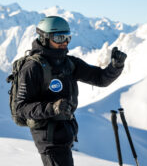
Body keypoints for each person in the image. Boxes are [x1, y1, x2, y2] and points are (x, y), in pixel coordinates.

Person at [15, 16, 127, 166]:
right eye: (59, 38)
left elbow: (100, 79)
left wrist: (115, 67)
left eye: (68, 37)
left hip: (66, 132)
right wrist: (52, 107)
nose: (65, 43)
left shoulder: (68, 63)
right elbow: (21, 108)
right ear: (44, 38)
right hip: (48, 138)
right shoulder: (32, 68)